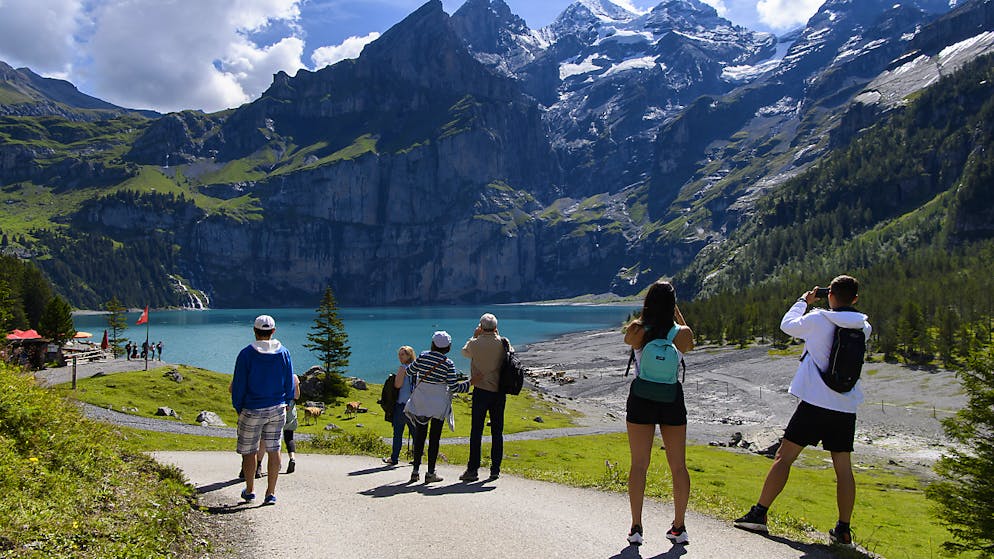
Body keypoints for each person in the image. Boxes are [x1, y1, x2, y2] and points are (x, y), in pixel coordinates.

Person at [734, 275, 871, 547]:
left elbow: (787, 326)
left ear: (829, 294)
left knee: (784, 457)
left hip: (814, 402)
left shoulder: (818, 318)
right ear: (855, 299)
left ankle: (759, 513)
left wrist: (803, 302)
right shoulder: (864, 327)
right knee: (843, 468)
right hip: (845, 406)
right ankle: (843, 530)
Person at [622, 280, 695, 546]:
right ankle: (679, 527)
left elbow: (629, 340)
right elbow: (689, 344)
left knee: (639, 464)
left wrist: (647, 315)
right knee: (678, 465)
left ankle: (636, 527)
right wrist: (677, 315)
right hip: (671, 398)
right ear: (672, 304)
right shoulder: (681, 333)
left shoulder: (638, 329)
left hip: (641, 399)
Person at [230, 314, 296, 505]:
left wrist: (238, 406)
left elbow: (239, 384)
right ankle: (270, 493)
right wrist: (287, 401)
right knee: (274, 448)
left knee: (249, 451)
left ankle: (250, 490)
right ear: (273, 331)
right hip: (277, 407)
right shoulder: (284, 352)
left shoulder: (246, 354)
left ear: (254, 331)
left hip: (252, 408)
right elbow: (289, 381)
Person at [405, 331, 470, 483]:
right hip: (439, 404)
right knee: (434, 438)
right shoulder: (448, 363)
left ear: (433, 344)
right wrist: (470, 383)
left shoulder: (423, 356)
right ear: (448, 347)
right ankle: (430, 473)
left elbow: (410, 371)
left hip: (422, 401)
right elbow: (454, 387)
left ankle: (415, 471)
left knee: (420, 435)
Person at [459, 313, 510, 482]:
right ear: (495, 327)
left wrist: (474, 336)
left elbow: (464, 352)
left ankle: (472, 469)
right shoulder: (503, 343)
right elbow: (510, 354)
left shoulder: (475, 343)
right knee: (497, 431)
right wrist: (496, 335)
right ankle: (495, 469)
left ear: (480, 327)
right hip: (498, 391)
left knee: (476, 431)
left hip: (481, 390)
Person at [383, 346, 416, 466]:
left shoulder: (403, 368)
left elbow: (397, 385)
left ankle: (394, 457)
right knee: (415, 433)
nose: (400, 357)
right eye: (400, 354)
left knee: (398, 432)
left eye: (403, 354)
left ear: (408, 356)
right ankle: (417, 458)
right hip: (414, 404)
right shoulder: (416, 368)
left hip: (402, 404)